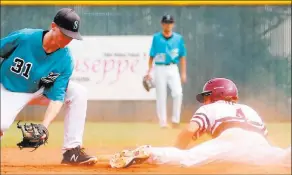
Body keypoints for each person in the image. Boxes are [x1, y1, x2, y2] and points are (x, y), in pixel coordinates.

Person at [109, 78, 291, 168]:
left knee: (187, 158)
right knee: (281, 158)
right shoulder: (250, 110)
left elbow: (189, 131)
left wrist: (177, 150)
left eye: (208, 96)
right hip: (258, 142)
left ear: (217, 95)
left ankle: (148, 151)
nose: (205, 100)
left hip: (229, 139)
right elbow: (267, 141)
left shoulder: (210, 108)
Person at [0, 8, 97, 165]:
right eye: (65, 34)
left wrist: (44, 126)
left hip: (39, 90)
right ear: (53, 26)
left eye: (72, 37)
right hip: (8, 87)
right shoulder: (25, 37)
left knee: (78, 92)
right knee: (1, 124)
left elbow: (57, 97)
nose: (67, 40)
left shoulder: (65, 60)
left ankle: (72, 151)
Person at [145, 14, 187, 129]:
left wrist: (183, 73)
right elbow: (151, 55)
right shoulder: (156, 38)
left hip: (173, 67)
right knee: (161, 95)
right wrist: (149, 71)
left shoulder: (178, 38)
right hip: (159, 68)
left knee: (178, 93)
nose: (168, 25)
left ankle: (175, 120)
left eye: (170, 23)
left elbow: (183, 56)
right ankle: (163, 122)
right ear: (162, 24)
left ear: (173, 24)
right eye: (166, 23)